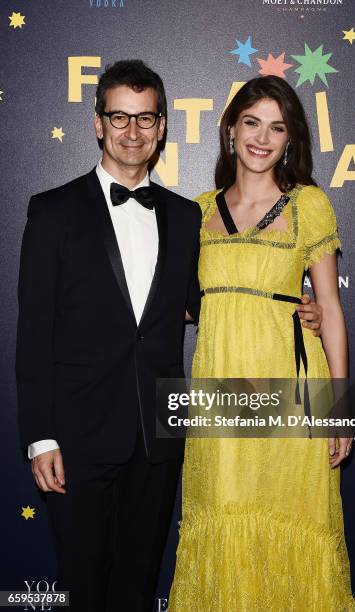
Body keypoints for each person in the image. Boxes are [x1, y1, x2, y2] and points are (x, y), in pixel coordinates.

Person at [16, 60, 322, 611]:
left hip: (161, 434)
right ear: (98, 124)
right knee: (84, 587)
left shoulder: (187, 217)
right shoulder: (53, 210)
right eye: (120, 118)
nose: (132, 132)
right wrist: (41, 437)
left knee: (137, 587)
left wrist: (295, 309)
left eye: (146, 119)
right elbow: (33, 335)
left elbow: (207, 304)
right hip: (78, 437)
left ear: (162, 128)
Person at [169, 76, 355, 611]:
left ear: (290, 139)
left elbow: (333, 310)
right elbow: (184, 303)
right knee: (223, 519)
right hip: (222, 394)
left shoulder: (309, 205)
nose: (262, 138)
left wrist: (340, 410)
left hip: (292, 392)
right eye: (252, 122)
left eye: (277, 127)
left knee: (292, 524)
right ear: (231, 129)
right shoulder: (197, 211)